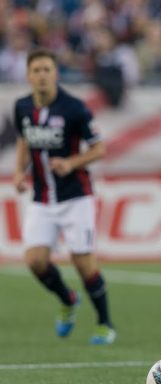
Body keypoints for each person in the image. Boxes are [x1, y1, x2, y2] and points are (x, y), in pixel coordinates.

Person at [13, 48, 116, 345]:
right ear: (28, 75)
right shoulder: (21, 107)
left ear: (56, 73)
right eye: (37, 70)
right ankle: (68, 299)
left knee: (83, 263)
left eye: (47, 69)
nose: (42, 75)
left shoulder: (74, 108)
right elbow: (23, 141)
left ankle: (104, 324)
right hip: (41, 198)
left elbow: (99, 148)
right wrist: (19, 173)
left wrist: (70, 163)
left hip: (76, 197)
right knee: (35, 261)